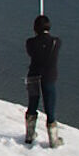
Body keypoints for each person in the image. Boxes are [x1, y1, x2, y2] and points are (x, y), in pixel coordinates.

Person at [25, 14, 63, 147]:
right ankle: (53, 140)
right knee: (50, 106)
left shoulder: (30, 42)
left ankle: (29, 135)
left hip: (33, 76)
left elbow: (32, 52)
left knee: (32, 104)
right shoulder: (56, 42)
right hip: (49, 77)